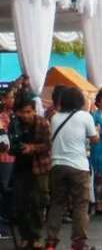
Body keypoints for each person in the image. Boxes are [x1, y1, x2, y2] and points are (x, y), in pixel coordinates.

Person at [45, 87, 99, 250]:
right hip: (78, 166)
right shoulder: (85, 116)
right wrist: (97, 131)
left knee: (57, 203)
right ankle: (78, 243)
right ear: (79, 100)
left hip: (57, 165)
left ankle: (51, 242)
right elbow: (94, 139)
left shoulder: (54, 118)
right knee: (80, 205)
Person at [8, 96, 51, 250]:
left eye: (28, 112)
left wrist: (32, 148)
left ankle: (36, 236)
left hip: (39, 167)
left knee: (38, 201)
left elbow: (47, 145)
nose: (26, 115)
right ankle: (25, 236)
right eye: (22, 112)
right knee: (21, 203)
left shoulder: (42, 123)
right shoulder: (14, 124)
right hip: (21, 167)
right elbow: (12, 146)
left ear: (34, 111)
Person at [0, 90, 15, 227]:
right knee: (3, 187)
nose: (13, 99)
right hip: (4, 158)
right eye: (11, 97)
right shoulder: (2, 116)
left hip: (11, 158)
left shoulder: (12, 115)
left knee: (7, 187)